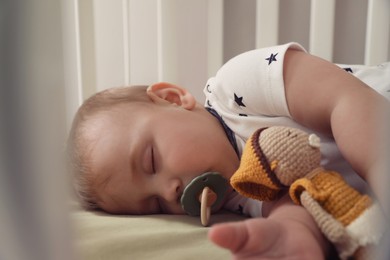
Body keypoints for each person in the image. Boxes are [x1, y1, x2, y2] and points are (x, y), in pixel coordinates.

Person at [67, 42, 390, 259]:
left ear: (172, 99)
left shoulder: (236, 88)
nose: (171, 192)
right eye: (155, 205)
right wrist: (294, 234)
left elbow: (342, 100)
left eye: (151, 161)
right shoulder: (237, 196)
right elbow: (296, 203)